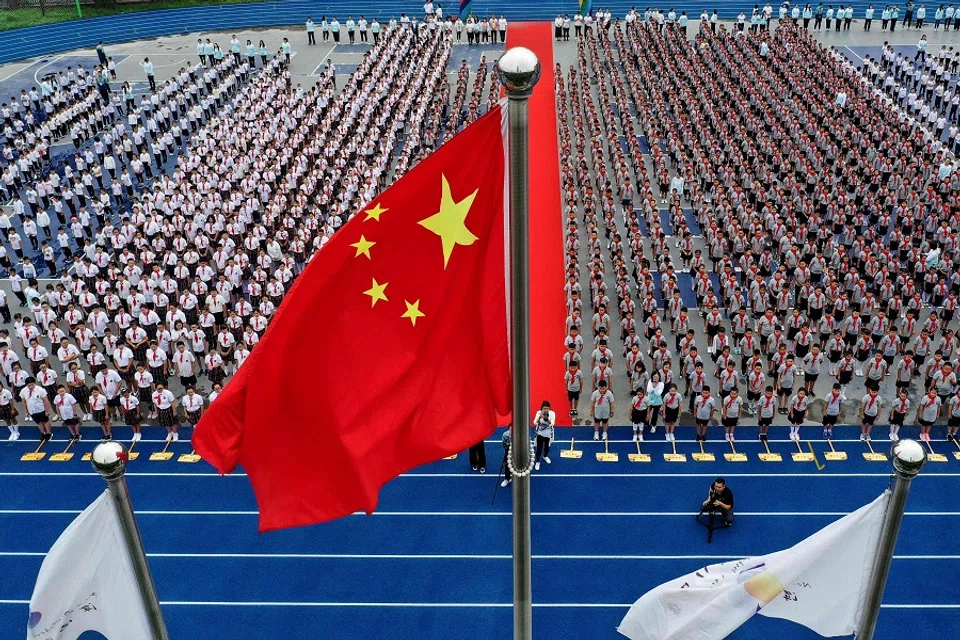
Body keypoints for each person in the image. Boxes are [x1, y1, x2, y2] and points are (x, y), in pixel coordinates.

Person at [533, 400, 555, 471]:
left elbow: (552, 423)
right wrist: (539, 418)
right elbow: (534, 422)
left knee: (547, 447)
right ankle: (537, 461)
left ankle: (545, 456)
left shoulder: (552, 413)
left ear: (549, 408)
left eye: (547, 408)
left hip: (548, 434)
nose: (546, 410)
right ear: (542, 408)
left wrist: (547, 419)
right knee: (539, 448)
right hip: (540, 433)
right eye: (544, 408)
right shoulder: (538, 413)